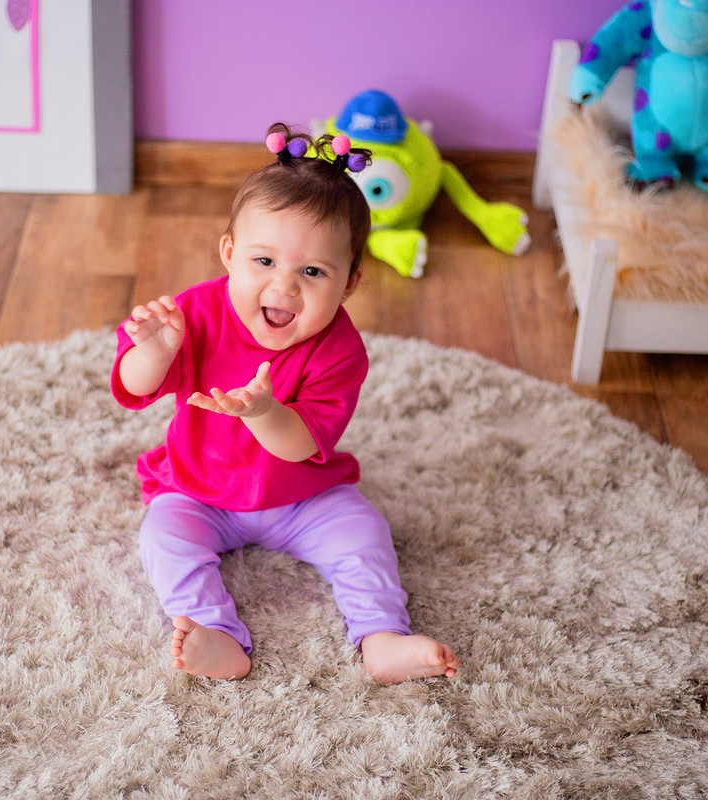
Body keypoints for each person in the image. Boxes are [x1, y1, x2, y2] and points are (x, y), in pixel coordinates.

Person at [111, 123, 460, 683]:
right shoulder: (193, 314)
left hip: (302, 497)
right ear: (229, 253)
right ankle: (217, 634)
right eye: (264, 261)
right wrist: (152, 353)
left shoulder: (340, 350)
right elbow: (133, 389)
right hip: (198, 487)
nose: (285, 287)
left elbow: (301, 445)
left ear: (349, 284)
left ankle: (382, 638)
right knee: (163, 537)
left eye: (313, 272)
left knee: (365, 533)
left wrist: (264, 413)